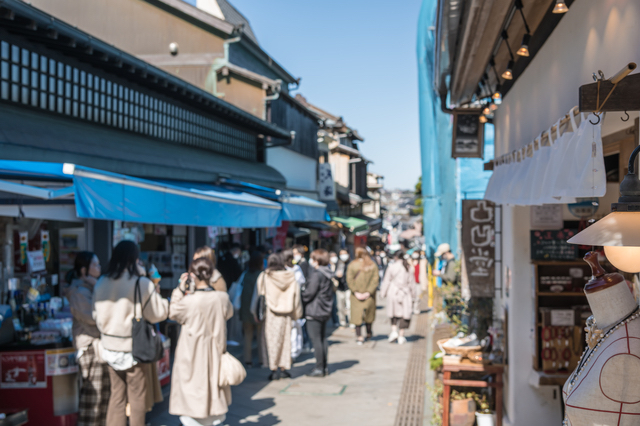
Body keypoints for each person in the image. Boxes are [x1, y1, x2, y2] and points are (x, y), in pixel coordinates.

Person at [93, 240, 169, 426]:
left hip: (109, 347)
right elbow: (157, 314)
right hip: (134, 348)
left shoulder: (101, 281)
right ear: (134, 259)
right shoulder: (140, 283)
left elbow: (95, 314)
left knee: (116, 397)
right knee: (137, 399)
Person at [169, 257, 233, 426]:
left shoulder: (189, 301)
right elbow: (229, 313)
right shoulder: (222, 298)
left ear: (193, 276)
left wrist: (179, 289)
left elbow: (173, 312)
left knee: (192, 400)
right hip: (215, 354)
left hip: (191, 354)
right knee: (212, 396)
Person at [67, 252, 109, 426]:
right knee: (92, 400)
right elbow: (96, 319)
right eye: (95, 265)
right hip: (89, 349)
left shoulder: (93, 288)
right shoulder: (79, 291)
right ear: (84, 270)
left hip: (98, 348)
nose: (99, 268)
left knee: (102, 400)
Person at [251, 253, 303, 380]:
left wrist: (254, 312)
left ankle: (273, 368)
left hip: (270, 314)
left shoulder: (264, 277)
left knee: (271, 341)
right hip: (287, 314)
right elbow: (297, 298)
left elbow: (257, 295)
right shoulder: (290, 277)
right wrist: (297, 314)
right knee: (286, 341)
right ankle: (284, 367)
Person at [301, 249, 334, 377]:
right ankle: (324, 366)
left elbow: (309, 293)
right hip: (324, 309)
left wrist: (302, 294)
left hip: (315, 310)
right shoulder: (327, 272)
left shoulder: (316, 274)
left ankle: (319, 368)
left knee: (316, 340)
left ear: (317, 260)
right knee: (322, 338)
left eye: (313, 259)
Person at [381, 251, 417, 345]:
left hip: (393, 292)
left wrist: (383, 293)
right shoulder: (408, 267)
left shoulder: (392, 267)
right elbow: (412, 283)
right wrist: (413, 295)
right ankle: (401, 335)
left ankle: (394, 331)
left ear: (396, 257)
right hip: (405, 293)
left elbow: (386, 281)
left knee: (393, 313)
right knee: (404, 314)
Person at [346, 247, 380, 345]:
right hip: (369, 295)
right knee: (369, 316)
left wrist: (355, 291)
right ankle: (369, 333)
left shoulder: (352, 265)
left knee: (357, 317)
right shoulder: (372, 265)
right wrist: (368, 292)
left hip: (356, 295)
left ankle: (359, 336)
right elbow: (375, 280)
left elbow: (349, 280)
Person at [239, 252, 264, 366]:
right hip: (258, 309)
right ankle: (261, 359)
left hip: (245, 308)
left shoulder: (246, 274)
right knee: (260, 335)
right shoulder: (262, 275)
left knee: (247, 336)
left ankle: (247, 360)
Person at [335, 249, 351, 328]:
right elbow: (334, 274)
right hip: (340, 288)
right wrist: (337, 276)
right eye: (341, 254)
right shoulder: (338, 264)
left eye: (344, 253)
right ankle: (342, 321)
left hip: (348, 288)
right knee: (340, 307)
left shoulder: (350, 264)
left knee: (349, 306)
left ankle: (351, 322)